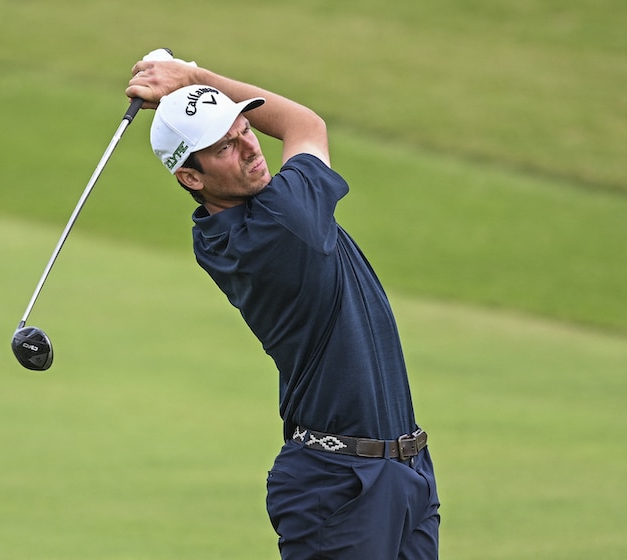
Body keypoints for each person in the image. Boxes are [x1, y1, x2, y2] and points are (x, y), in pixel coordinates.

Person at [126, 53, 440, 560]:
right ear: (190, 178)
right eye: (224, 146)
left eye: (244, 127)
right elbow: (303, 123)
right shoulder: (285, 220)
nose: (249, 147)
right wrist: (195, 77)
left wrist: (194, 89)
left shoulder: (219, 232)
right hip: (342, 487)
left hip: (401, 471)